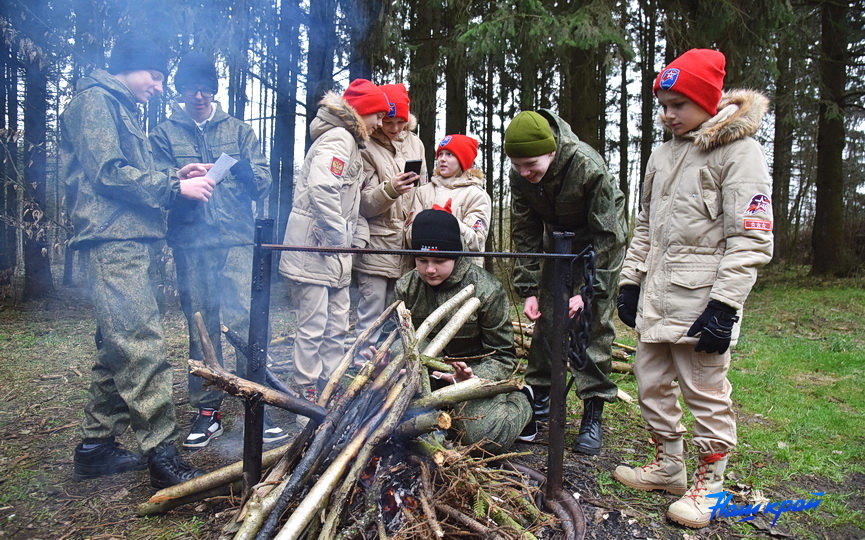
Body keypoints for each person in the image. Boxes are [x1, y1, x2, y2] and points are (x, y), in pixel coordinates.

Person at [611, 49, 773, 529]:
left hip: (702, 300)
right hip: (656, 296)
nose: (667, 114)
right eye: (662, 103)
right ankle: (669, 467)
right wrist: (630, 279)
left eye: (678, 103)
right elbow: (645, 225)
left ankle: (712, 484)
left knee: (705, 391)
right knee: (649, 382)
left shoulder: (739, 152)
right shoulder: (662, 153)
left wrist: (725, 305)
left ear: (707, 100)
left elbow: (751, 236)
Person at [62, 32, 209, 489]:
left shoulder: (118, 106)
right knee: (141, 342)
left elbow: (127, 171)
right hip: (113, 240)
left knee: (116, 345)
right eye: (156, 75)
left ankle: (95, 447)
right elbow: (108, 173)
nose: (161, 86)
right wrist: (172, 189)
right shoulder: (95, 103)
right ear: (130, 66)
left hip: (130, 238)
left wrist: (173, 175)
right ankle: (162, 454)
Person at [149, 52, 283, 449]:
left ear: (216, 89)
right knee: (200, 324)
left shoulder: (239, 130)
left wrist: (243, 171)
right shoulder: (164, 133)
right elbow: (154, 183)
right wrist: (178, 185)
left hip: (238, 239)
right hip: (191, 244)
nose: (199, 95)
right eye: (191, 88)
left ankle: (255, 402)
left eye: (206, 87)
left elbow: (263, 180)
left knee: (247, 321)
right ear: (180, 90)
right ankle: (207, 411)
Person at [504, 110, 627, 454]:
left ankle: (593, 410)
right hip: (556, 248)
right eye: (518, 166)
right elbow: (525, 231)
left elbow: (610, 235)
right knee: (547, 323)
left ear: (553, 151)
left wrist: (590, 292)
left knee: (593, 327)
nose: (525, 173)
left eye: (531, 165)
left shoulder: (588, 166)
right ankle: (539, 400)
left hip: (597, 248)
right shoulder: (520, 176)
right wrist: (528, 288)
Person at [278, 79, 390, 403]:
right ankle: (306, 389)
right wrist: (338, 235)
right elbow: (322, 188)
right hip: (316, 249)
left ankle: (330, 383)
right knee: (313, 325)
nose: (380, 124)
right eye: (377, 116)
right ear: (362, 112)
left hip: (335, 252)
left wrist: (356, 239)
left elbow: (351, 205)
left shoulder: (352, 143)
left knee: (337, 323)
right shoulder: (339, 139)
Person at [393, 209, 533, 453]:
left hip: (472, 378)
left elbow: (502, 356)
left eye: (439, 261)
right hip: (423, 378)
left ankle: (524, 401)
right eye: (422, 260)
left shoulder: (487, 289)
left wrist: (471, 378)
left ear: (457, 256)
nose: (429, 270)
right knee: (382, 420)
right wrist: (391, 357)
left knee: (483, 439)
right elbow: (396, 338)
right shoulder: (406, 287)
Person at [353, 83, 427, 353]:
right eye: (388, 121)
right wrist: (391, 189)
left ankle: (395, 364)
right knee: (371, 312)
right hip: (377, 244)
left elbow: (423, 189)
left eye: (401, 122)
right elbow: (363, 205)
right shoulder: (365, 146)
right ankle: (362, 363)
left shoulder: (415, 143)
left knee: (401, 313)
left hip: (407, 246)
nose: (395, 128)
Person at [405, 134, 491, 267]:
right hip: (426, 271)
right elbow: (409, 237)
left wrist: (449, 222)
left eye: (450, 154)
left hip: (464, 273)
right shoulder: (423, 191)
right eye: (440, 154)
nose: (442, 159)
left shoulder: (476, 195)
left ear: (463, 159)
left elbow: (477, 242)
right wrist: (428, 223)